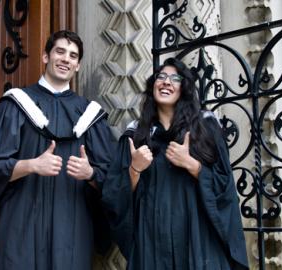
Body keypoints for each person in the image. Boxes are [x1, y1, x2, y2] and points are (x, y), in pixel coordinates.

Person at [0, 30, 114, 270]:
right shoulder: (15, 105)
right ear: (46, 56)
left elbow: (112, 177)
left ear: (78, 65)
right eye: (59, 51)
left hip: (72, 224)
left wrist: (90, 173)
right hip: (21, 220)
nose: (65, 59)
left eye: (72, 55)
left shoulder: (90, 115)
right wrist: (31, 165)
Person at [102, 57, 249, 269]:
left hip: (198, 240)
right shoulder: (136, 136)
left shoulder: (205, 129)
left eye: (175, 78)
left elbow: (224, 187)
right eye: (160, 77)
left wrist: (192, 165)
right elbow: (115, 197)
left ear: (184, 88)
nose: (166, 82)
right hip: (152, 242)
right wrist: (135, 169)